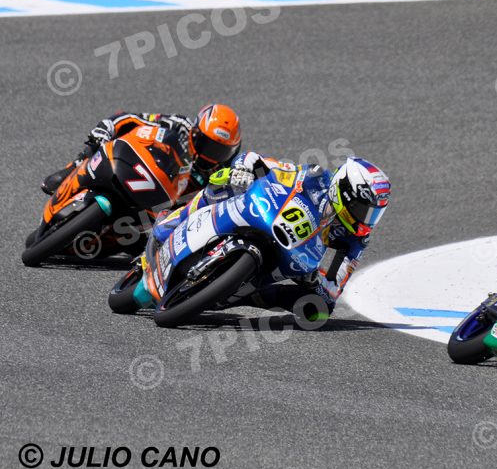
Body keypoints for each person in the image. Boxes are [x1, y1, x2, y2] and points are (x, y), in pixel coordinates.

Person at [152, 153, 391, 320]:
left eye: (375, 215)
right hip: (265, 214)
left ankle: (242, 295)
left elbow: (335, 285)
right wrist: (247, 167)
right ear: (345, 191)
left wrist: (318, 285)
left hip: (292, 254)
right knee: (224, 182)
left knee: (320, 308)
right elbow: (267, 164)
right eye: (365, 210)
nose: (366, 220)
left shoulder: (357, 239)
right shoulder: (315, 178)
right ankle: (176, 218)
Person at [41, 104, 242, 197]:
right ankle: (74, 169)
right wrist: (103, 131)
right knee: (96, 146)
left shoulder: (220, 173)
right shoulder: (180, 125)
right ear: (196, 131)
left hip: (161, 207)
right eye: (208, 145)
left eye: (219, 151)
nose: (210, 155)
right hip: (141, 168)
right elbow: (131, 118)